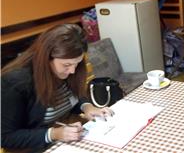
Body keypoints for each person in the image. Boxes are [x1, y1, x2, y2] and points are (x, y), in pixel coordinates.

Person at [1, 24, 114, 152]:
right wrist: (53, 134)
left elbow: (73, 95)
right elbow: (5, 137)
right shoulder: (15, 82)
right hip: (34, 147)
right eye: (67, 65)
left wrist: (87, 107)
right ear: (46, 57)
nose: (72, 71)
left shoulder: (69, 68)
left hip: (63, 139)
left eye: (76, 64)